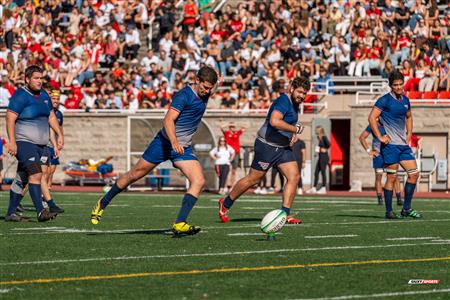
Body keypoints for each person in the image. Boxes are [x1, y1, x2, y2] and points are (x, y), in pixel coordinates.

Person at [90, 66, 218, 235]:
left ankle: (180, 223)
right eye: (205, 87)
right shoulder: (183, 95)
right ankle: (102, 203)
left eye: (210, 88)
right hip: (164, 143)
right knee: (133, 175)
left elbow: (213, 82)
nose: (207, 91)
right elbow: (168, 120)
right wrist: (173, 141)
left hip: (182, 148)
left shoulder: (206, 92)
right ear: (197, 80)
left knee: (199, 181)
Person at [218, 77, 311, 225]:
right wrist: (295, 129)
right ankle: (226, 203)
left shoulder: (294, 104)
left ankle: (285, 214)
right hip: (267, 146)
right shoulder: (283, 101)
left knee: (294, 176)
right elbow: (275, 121)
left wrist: (292, 133)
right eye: (300, 91)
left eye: (304, 93)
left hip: (282, 148)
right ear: (291, 88)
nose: (302, 95)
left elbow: (287, 122)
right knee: (253, 179)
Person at [5, 65, 64, 222]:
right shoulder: (20, 95)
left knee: (22, 177)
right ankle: (41, 211)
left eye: (41, 78)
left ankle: (11, 213)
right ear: (27, 79)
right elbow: (10, 118)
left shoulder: (44, 95)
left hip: (41, 145)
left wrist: (59, 134)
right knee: (36, 173)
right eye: (36, 78)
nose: (39, 81)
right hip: (24, 142)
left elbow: (51, 116)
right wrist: (12, 142)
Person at [368, 71, 421, 219]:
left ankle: (406, 209)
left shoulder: (405, 100)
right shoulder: (384, 100)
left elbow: (409, 117)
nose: (398, 87)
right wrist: (379, 136)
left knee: (414, 175)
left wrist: (409, 134)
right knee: (392, 177)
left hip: (403, 146)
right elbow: (372, 118)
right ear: (390, 86)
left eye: (400, 84)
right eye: (395, 85)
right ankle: (389, 211)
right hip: (390, 146)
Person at [359, 123, 403, 206]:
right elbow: (362, 137)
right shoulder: (373, 125)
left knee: (395, 176)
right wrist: (369, 151)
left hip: (390, 154)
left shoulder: (391, 123)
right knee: (378, 177)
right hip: (378, 155)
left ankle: (399, 198)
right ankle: (380, 199)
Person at [42, 90, 65, 213]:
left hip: (53, 145)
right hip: (46, 145)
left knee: (51, 171)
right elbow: (50, 130)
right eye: (53, 99)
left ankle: (45, 196)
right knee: (42, 173)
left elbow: (59, 128)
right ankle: (43, 198)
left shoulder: (59, 114)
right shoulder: (46, 112)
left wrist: (61, 138)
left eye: (57, 99)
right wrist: (54, 144)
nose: (56, 101)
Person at [221, 122, 246, 189]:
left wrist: (236, 124)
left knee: (234, 171)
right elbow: (221, 127)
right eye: (231, 127)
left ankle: (232, 186)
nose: (232, 128)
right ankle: (225, 186)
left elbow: (244, 127)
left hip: (236, 153)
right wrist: (228, 124)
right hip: (228, 154)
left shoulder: (237, 133)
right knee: (226, 171)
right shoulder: (226, 133)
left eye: (233, 127)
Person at [307, 126, 330, 194]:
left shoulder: (324, 137)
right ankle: (314, 188)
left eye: (317, 129)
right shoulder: (318, 138)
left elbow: (328, 144)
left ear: (320, 130)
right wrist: (317, 151)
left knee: (323, 172)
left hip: (324, 156)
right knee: (316, 172)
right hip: (320, 156)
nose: (316, 130)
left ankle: (323, 188)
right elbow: (318, 146)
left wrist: (325, 149)